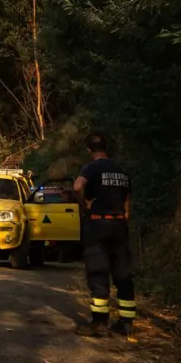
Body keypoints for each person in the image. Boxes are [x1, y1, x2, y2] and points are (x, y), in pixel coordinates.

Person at [72, 132, 136, 337]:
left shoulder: (91, 168)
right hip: (119, 226)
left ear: (89, 149)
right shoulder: (121, 170)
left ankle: (99, 322)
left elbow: (77, 186)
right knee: (123, 273)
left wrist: (85, 205)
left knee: (98, 272)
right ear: (105, 147)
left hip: (98, 224)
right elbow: (127, 199)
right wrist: (124, 215)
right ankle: (126, 323)